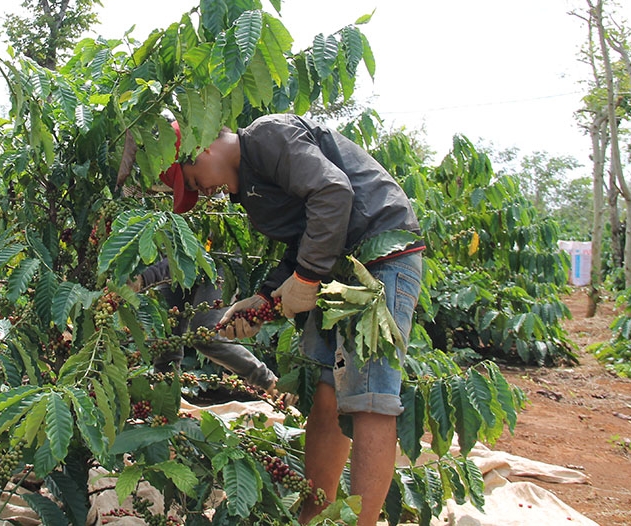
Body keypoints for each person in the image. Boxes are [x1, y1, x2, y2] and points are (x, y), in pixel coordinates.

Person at [159, 113, 423, 525]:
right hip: (337, 271)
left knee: (369, 399)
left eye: (192, 181)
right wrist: (264, 297)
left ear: (199, 146)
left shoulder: (267, 136)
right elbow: (306, 239)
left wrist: (306, 277)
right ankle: (315, 515)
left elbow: (333, 193)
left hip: (379, 258)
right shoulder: (250, 188)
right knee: (326, 397)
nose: (203, 192)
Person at [134, 256, 279, 393]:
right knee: (166, 336)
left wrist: (143, 278)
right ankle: (165, 403)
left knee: (206, 334)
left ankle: (269, 382)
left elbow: (188, 247)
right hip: (176, 264)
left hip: (217, 255)